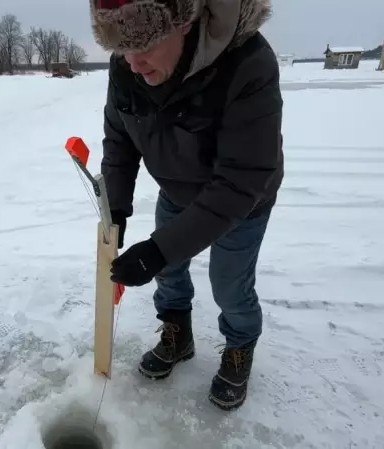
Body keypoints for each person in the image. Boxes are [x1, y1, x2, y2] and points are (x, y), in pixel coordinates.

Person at [89, 0, 284, 411]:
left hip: (242, 201)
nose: (133, 62)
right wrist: (116, 208)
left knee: (229, 284)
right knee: (169, 272)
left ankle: (239, 345)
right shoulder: (127, 65)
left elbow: (242, 178)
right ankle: (178, 332)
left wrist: (160, 248)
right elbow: (119, 141)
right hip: (176, 190)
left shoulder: (248, 63)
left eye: (144, 45)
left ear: (185, 22)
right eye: (122, 48)